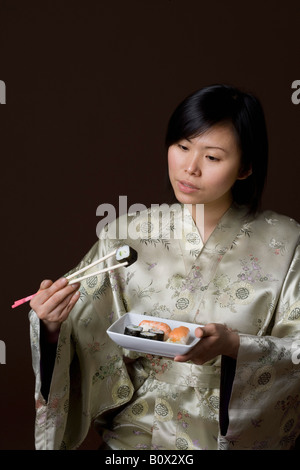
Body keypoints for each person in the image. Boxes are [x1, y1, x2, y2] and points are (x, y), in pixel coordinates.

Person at [29, 84, 300, 450]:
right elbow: (82, 331)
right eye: (183, 146)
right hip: (137, 425)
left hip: (228, 430)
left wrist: (235, 345)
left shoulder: (285, 241)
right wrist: (50, 324)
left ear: (246, 166)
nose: (190, 168)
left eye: (213, 157)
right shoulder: (126, 233)